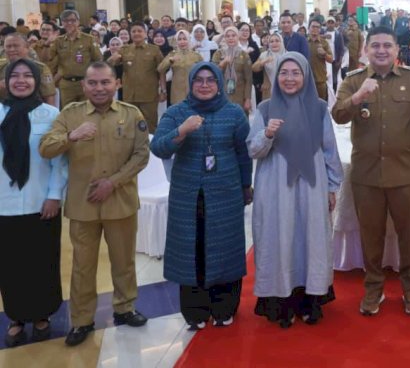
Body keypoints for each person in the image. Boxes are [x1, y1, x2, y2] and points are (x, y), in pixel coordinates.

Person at [39, 62, 150, 346]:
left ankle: (125, 308)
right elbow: (46, 148)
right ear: (84, 86)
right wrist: (70, 136)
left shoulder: (131, 113)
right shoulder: (70, 114)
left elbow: (141, 155)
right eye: (93, 83)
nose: (99, 88)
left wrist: (112, 182)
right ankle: (82, 320)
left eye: (105, 82)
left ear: (116, 84)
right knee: (82, 266)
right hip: (83, 206)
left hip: (119, 201)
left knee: (124, 261)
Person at [332, 26, 410, 316]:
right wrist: (357, 97)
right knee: (371, 235)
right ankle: (373, 288)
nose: (381, 50)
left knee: (409, 235)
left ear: (396, 51)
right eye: (375, 45)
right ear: (365, 50)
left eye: (386, 46)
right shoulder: (353, 81)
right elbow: (337, 116)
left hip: (407, 173)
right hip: (367, 174)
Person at [151, 62, 252, 329]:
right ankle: (195, 311)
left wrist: (246, 186)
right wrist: (181, 131)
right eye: (199, 80)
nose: (204, 85)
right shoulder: (176, 112)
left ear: (219, 83)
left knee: (225, 247)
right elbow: (158, 148)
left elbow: (244, 153)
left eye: (210, 80)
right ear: (190, 83)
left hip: (226, 192)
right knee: (191, 248)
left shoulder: (233, 113)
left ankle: (224, 307)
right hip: (187, 194)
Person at [249, 53, 343, 327]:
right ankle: (282, 302)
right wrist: (267, 134)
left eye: (296, 73)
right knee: (280, 237)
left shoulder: (318, 108)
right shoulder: (266, 108)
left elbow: (329, 150)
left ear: (305, 76)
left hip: (312, 187)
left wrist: (333, 185)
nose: (289, 78)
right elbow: (253, 150)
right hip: (275, 187)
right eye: (284, 73)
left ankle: (310, 299)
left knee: (311, 236)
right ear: (276, 76)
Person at [0, 59, 67, 347]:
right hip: (4, 204)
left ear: (37, 81)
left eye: (28, 76)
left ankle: (42, 314)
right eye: (15, 76)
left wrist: (54, 195)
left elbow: (60, 162)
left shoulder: (51, 114)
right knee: (10, 264)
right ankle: (16, 315)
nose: (21, 81)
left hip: (42, 202)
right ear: (5, 81)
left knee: (43, 261)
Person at [107, 22, 165, 133]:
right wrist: (114, 58)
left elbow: (161, 71)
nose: (136, 33)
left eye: (140, 31)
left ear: (146, 33)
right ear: (130, 34)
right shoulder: (124, 49)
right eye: (134, 31)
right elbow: (108, 64)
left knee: (150, 126)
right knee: (130, 126)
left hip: (149, 96)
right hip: (130, 96)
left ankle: (150, 149)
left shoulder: (154, 50)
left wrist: (163, 90)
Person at [48, 10, 102, 108]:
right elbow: (50, 61)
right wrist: (49, 43)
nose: (69, 23)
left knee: (87, 111)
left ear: (78, 22)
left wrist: (94, 81)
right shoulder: (58, 41)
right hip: (66, 84)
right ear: (62, 23)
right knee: (68, 113)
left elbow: (98, 61)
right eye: (66, 20)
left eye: (73, 20)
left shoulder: (88, 39)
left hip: (85, 83)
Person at [0, 33, 57, 106]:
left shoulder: (40, 68)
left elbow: (49, 96)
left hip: (33, 110)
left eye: (16, 46)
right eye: (8, 46)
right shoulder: (1, 66)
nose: (12, 49)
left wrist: (49, 114)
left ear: (27, 48)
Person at [212, 26, 253, 114]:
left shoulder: (244, 55)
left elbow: (248, 79)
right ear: (224, 38)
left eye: (233, 35)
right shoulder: (218, 53)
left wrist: (248, 99)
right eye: (228, 36)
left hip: (240, 94)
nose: (230, 38)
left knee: (240, 121)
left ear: (238, 37)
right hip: (222, 94)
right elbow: (213, 74)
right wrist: (223, 62)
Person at [158, 30, 203, 106]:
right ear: (176, 41)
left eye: (184, 39)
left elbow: (203, 71)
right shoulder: (172, 54)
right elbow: (160, 69)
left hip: (193, 89)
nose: (182, 42)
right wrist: (170, 61)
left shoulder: (196, 55)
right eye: (179, 39)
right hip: (177, 90)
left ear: (189, 40)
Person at [253, 33, 285, 101]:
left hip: (285, 88)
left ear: (281, 42)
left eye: (277, 41)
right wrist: (263, 62)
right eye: (271, 41)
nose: (274, 43)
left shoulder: (288, 55)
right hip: (269, 91)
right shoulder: (264, 55)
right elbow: (254, 68)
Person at [307, 20, 333, 101]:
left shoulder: (324, 43)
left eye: (317, 27)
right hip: (306, 81)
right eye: (313, 26)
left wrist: (324, 54)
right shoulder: (304, 42)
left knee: (322, 105)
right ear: (309, 28)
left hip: (320, 81)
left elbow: (331, 60)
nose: (315, 29)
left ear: (320, 29)